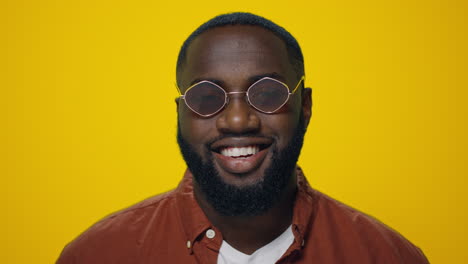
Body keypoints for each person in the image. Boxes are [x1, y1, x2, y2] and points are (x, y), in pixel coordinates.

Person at [57, 12, 429, 263]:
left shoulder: (386, 255)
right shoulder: (98, 254)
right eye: (206, 97)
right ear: (181, 113)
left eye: (267, 93)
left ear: (305, 105)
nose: (237, 120)